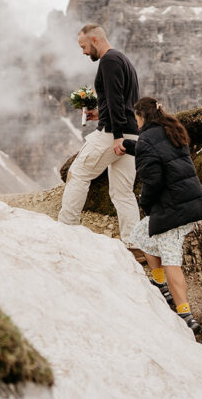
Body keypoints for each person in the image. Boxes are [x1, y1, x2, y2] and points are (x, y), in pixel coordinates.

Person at [123, 96, 202, 332]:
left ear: (141, 117)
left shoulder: (148, 138)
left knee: (171, 258)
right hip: (188, 200)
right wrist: (131, 146)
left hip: (172, 208)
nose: (136, 122)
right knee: (141, 233)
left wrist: (145, 203)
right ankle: (159, 282)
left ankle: (185, 314)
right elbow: (158, 152)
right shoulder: (171, 129)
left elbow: (152, 179)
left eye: (136, 118)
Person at [58, 24, 142, 249]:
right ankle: (134, 244)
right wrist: (99, 113)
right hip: (132, 133)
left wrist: (116, 136)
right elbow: (124, 101)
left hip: (113, 133)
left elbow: (115, 100)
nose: (83, 52)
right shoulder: (123, 60)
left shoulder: (109, 61)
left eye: (84, 46)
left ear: (94, 40)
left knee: (78, 173)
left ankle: (66, 229)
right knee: (122, 192)